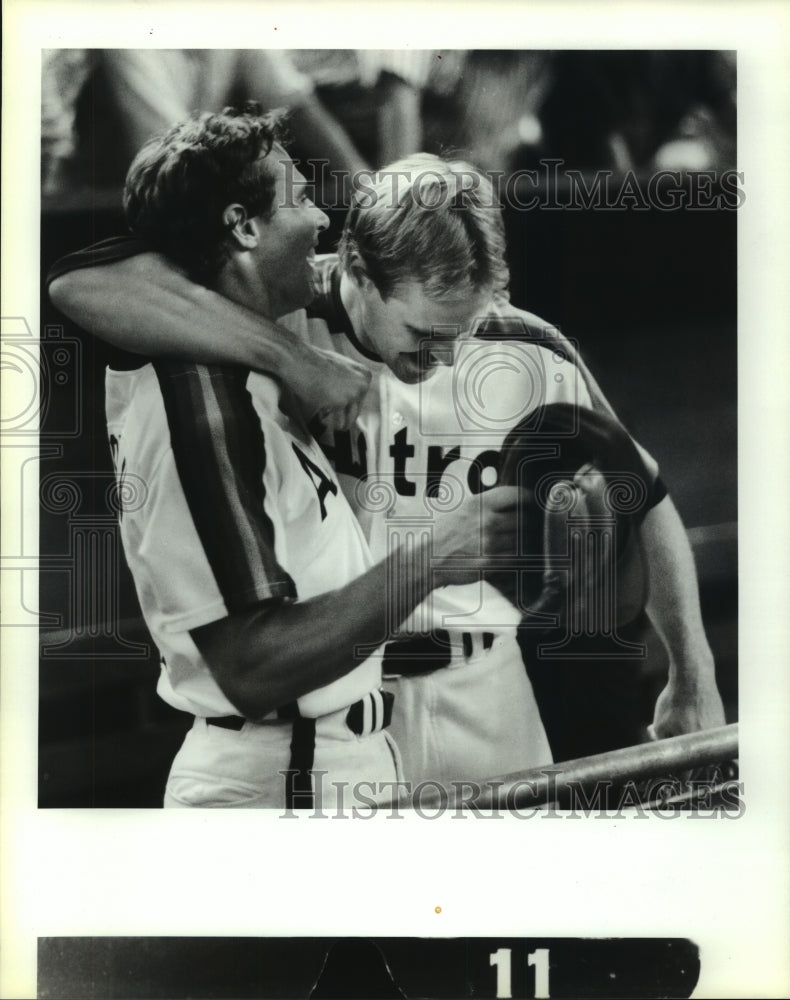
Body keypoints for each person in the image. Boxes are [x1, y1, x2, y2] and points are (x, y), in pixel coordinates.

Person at [49, 149, 725, 787]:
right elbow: (85, 284)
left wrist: (693, 672)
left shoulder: (521, 345)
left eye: (462, 331)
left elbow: (645, 491)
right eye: (423, 335)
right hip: (338, 696)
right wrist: (294, 359)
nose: (446, 358)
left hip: (485, 685)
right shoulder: (280, 312)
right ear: (358, 273)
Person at [71, 104, 528, 810]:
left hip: (326, 765)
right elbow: (251, 667)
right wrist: (431, 558)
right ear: (244, 226)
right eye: (301, 196)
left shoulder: (244, 370)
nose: (321, 218)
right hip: (280, 775)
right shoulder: (198, 397)